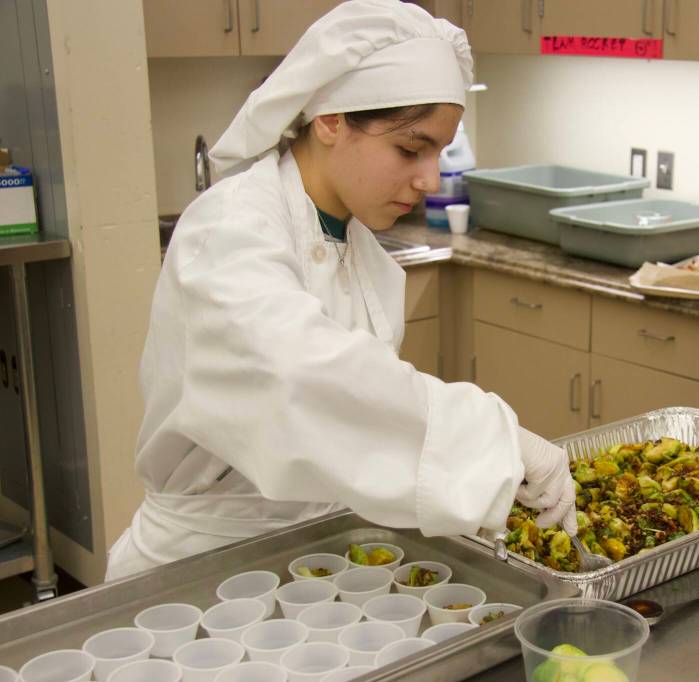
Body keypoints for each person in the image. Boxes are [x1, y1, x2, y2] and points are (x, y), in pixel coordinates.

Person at [105, 0, 576, 581]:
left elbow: (354, 431)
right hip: (198, 571)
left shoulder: (363, 253)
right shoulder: (229, 229)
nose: (430, 179)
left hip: (314, 557)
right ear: (331, 120)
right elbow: (302, 379)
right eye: (411, 148)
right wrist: (489, 438)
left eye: (439, 151)